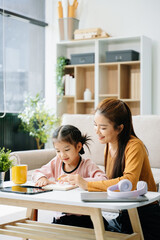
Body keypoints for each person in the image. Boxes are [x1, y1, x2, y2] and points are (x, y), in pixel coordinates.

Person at [59, 98, 160, 240]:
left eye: (103, 128)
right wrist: (81, 183)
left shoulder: (134, 146)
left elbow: (128, 182)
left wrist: (87, 184)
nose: (97, 131)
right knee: (69, 222)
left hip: (145, 217)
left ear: (119, 128)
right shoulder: (109, 145)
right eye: (95, 125)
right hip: (125, 214)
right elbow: (111, 183)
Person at [32, 124, 107, 227]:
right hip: (62, 217)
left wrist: (81, 180)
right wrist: (42, 178)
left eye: (67, 150)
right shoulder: (56, 162)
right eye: (58, 151)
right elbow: (36, 173)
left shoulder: (87, 164)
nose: (62, 155)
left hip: (85, 216)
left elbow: (103, 179)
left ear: (78, 147)